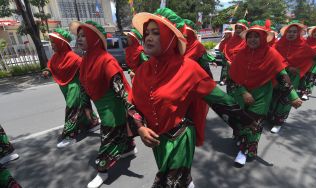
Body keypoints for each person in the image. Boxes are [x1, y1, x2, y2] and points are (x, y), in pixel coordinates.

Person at [130, 11, 257, 187]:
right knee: (179, 178)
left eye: (156, 33)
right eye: (147, 33)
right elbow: (133, 104)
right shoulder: (143, 71)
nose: (148, 37)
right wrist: (141, 128)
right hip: (157, 140)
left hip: (180, 137)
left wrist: (246, 120)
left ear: (170, 38)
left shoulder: (188, 68)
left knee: (168, 183)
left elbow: (218, 99)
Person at [70, 20, 137, 188]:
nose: (79, 39)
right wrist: (86, 108)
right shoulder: (85, 60)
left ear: (94, 38)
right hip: (101, 106)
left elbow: (120, 88)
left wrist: (133, 113)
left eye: (84, 35)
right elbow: (84, 86)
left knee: (107, 140)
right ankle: (129, 148)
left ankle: (102, 171)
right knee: (120, 133)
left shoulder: (106, 60)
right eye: (78, 36)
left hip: (113, 109)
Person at [228, 21, 302, 166]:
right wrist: (243, 92)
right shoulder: (241, 54)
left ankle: (244, 152)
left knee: (254, 123)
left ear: (263, 38)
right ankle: (241, 140)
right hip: (241, 95)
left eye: (257, 36)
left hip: (261, 96)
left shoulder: (272, 54)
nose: (253, 39)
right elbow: (232, 77)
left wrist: (293, 96)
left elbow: (282, 75)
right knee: (241, 121)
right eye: (250, 36)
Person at [42, 29, 99, 148]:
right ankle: (92, 123)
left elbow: (85, 68)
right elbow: (50, 66)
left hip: (75, 86)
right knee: (81, 107)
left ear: (62, 43)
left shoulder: (73, 57)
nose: (52, 45)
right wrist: (47, 71)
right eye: (51, 42)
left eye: (54, 42)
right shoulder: (55, 57)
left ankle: (69, 134)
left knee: (71, 107)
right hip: (64, 86)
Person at [268, 21, 313, 133]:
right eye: (289, 31)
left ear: (298, 33)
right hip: (277, 75)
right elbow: (271, 57)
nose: (291, 34)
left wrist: (299, 70)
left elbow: (311, 59)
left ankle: (278, 122)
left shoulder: (304, 47)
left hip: (292, 77)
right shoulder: (278, 44)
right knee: (273, 96)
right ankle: (270, 117)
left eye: (294, 32)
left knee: (285, 99)